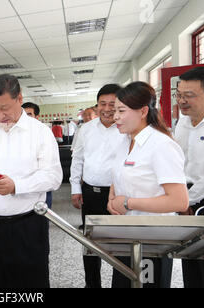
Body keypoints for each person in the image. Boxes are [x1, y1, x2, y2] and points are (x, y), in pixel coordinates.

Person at [0, 74, 62, 288]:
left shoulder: (40, 133)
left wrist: (16, 186)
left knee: (31, 282)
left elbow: (53, 177)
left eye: (4, 108)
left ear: (19, 98)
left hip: (26, 225)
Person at [108, 81, 188, 288]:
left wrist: (128, 203)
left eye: (121, 111)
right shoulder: (125, 141)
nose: (114, 116)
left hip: (152, 239)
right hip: (126, 235)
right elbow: (119, 176)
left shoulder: (161, 145)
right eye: (115, 110)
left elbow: (179, 201)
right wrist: (112, 199)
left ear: (143, 111)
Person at [70, 84, 125, 288]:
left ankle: (120, 283)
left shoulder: (126, 128)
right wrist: (76, 188)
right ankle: (92, 284)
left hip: (118, 197)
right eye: (103, 103)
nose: (108, 108)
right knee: (90, 245)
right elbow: (78, 159)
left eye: (113, 104)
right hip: (91, 194)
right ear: (97, 105)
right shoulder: (86, 129)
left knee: (119, 246)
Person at [174, 66, 204, 288]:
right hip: (184, 201)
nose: (182, 101)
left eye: (189, 95)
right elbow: (176, 161)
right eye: (179, 94)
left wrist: (187, 199)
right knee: (190, 260)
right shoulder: (182, 122)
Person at [22, 101, 52, 208]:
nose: (25, 118)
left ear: (37, 117)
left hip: (41, 186)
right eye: (23, 115)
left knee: (42, 214)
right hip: (23, 188)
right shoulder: (18, 134)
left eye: (29, 114)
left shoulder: (44, 133)